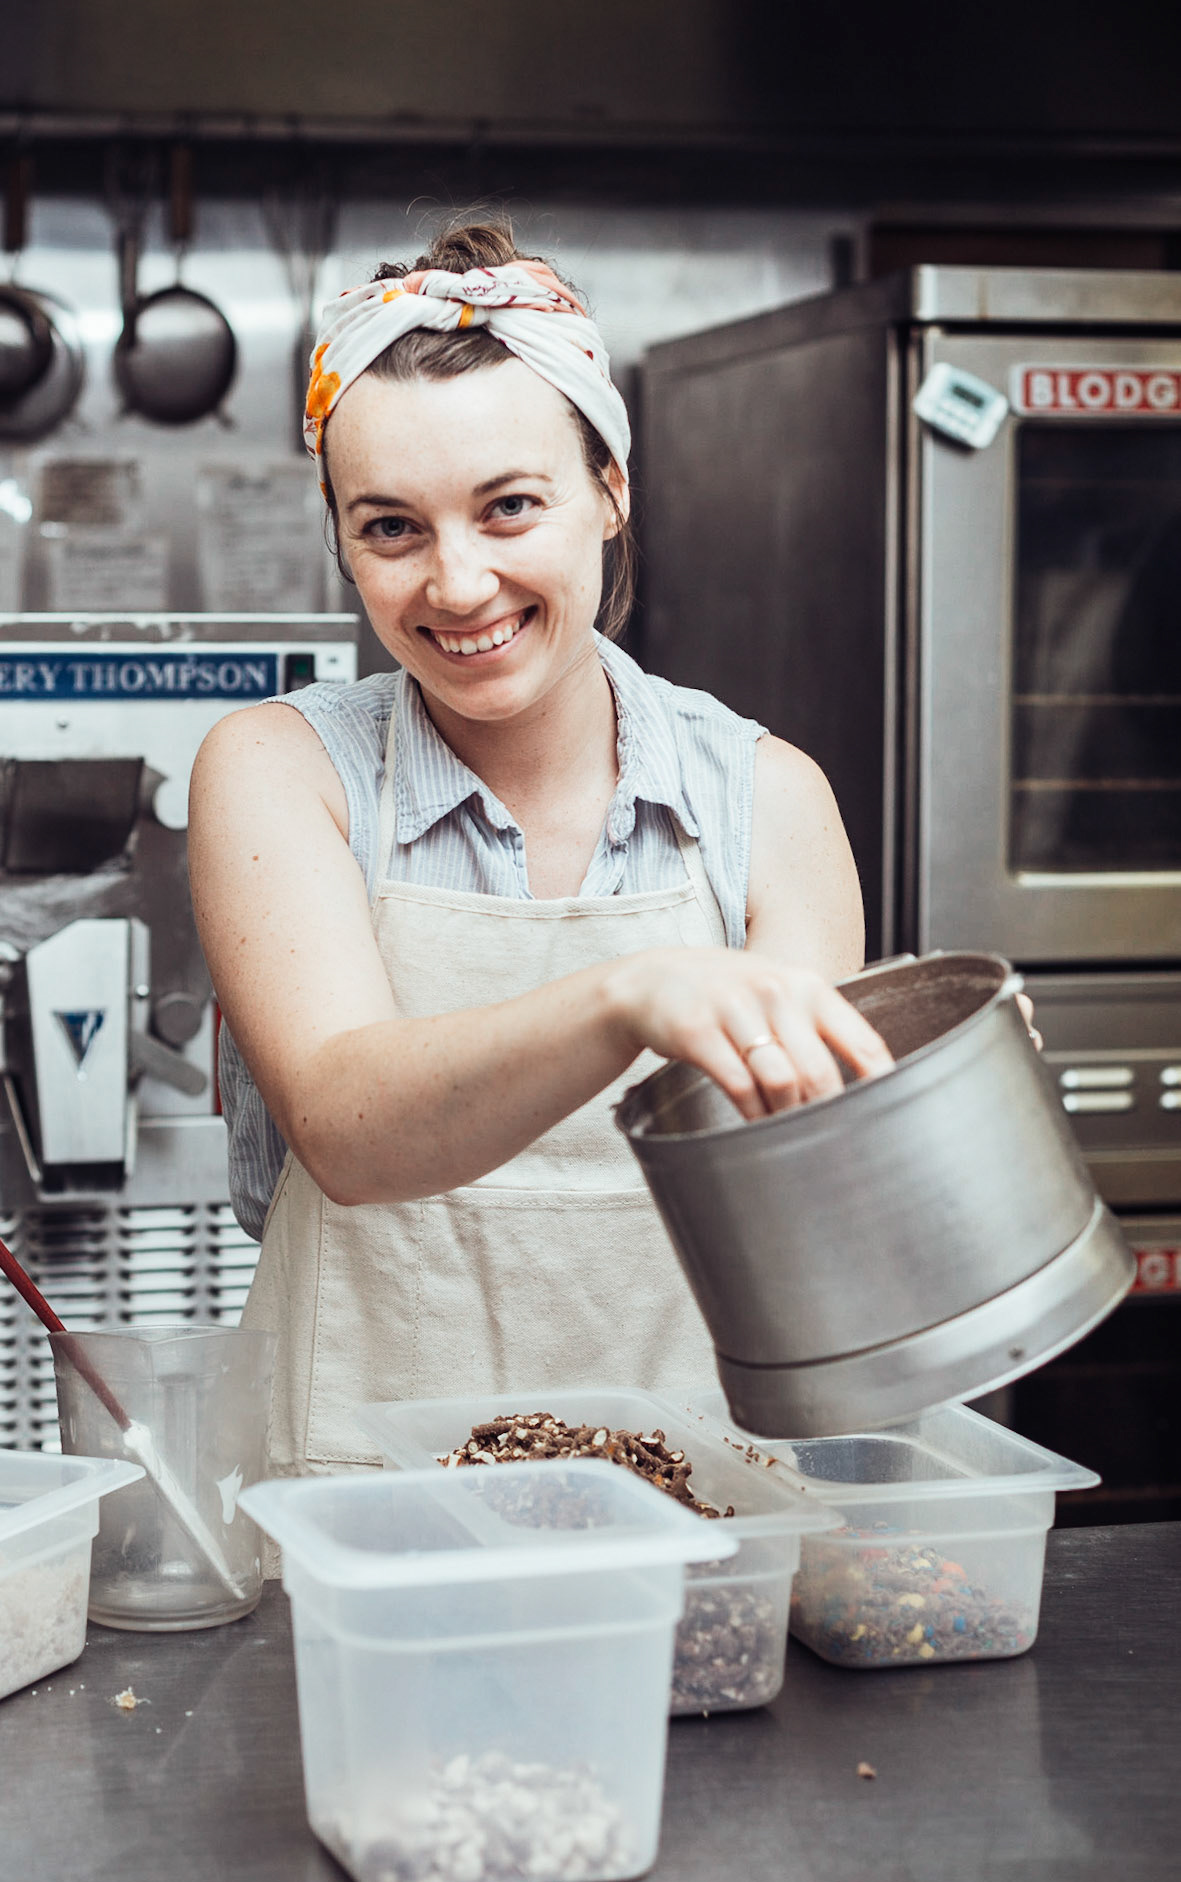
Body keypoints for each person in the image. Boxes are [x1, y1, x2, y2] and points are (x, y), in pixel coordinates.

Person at [188, 219, 895, 1477]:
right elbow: (349, 1131)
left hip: (699, 1508)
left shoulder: (766, 802)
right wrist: (633, 995)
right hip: (367, 1520)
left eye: (510, 507)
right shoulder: (281, 772)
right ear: (342, 536)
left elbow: (804, 1188)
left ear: (610, 490)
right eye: (391, 528)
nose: (457, 585)